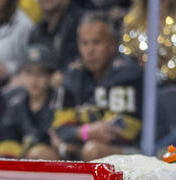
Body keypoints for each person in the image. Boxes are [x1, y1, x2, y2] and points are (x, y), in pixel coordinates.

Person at [52, 12, 143, 160]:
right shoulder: (72, 75)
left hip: (132, 151)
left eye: (96, 42)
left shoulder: (127, 74)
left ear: (112, 44)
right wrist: (86, 131)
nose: (90, 51)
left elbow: (118, 132)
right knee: (42, 153)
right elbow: (60, 129)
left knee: (92, 150)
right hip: (84, 144)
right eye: (84, 43)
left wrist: (77, 134)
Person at [0, 42, 61, 157]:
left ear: (50, 76)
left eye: (40, 73)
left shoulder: (59, 101)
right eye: (29, 73)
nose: (34, 80)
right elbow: (7, 137)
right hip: (23, 161)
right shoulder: (15, 102)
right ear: (21, 75)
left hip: (56, 164)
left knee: (38, 153)